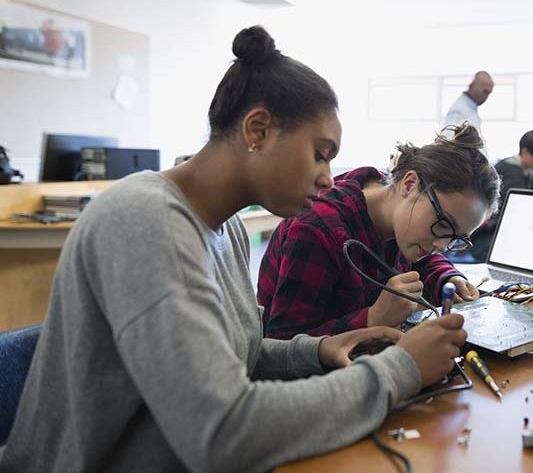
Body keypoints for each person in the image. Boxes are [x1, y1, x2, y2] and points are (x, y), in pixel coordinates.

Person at [0, 26, 468, 473]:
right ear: (257, 129)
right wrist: (399, 369)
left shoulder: (228, 229)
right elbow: (221, 431)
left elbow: (231, 359)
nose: (329, 177)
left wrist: (318, 350)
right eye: (320, 153)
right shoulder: (141, 221)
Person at [257, 122, 500, 340]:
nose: (442, 245)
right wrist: (372, 318)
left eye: (456, 239)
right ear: (410, 184)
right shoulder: (317, 231)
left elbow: (426, 260)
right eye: (445, 224)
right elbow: (281, 345)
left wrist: (448, 277)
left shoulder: (399, 211)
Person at [462, 129, 533, 263]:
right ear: (526, 152)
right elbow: (523, 207)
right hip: (485, 237)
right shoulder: (511, 171)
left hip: (498, 232)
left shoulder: (528, 170)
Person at [443, 71, 493, 156]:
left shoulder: (470, 109)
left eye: (489, 93)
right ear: (472, 85)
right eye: (485, 91)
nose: (486, 97)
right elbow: (447, 143)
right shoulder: (459, 110)